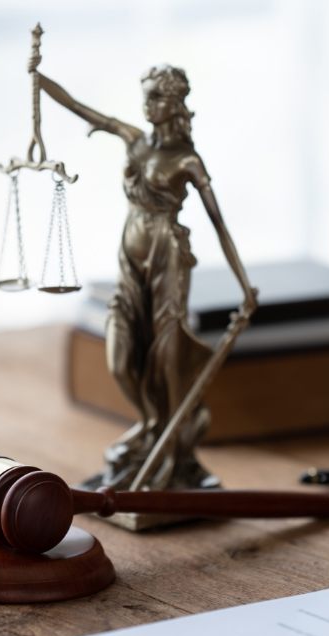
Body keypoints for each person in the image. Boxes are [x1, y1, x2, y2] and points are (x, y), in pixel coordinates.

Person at [38, 65, 258, 490]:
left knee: (166, 357)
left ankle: (173, 456)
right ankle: (153, 424)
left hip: (167, 259)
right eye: (147, 95)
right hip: (130, 258)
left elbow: (220, 225)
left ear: (174, 104)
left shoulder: (187, 160)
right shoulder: (133, 139)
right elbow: (82, 110)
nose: (148, 103)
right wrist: (38, 79)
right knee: (120, 355)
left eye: (157, 96)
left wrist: (244, 287)